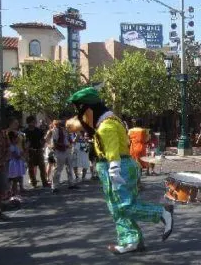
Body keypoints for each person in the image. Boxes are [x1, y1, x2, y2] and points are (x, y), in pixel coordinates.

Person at [66, 87, 173, 255]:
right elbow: (71, 125)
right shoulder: (106, 121)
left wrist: (114, 171)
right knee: (116, 208)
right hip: (112, 166)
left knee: (124, 206)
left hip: (116, 166)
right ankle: (131, 240)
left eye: (79, 109)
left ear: (87, 108)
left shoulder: (106, 126)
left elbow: (112, 152)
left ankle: (161, 213)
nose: (78, 114)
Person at [46, 120, 77, 194]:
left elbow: (69, 140)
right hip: (60, 151)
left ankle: (71, 183)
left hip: (67, 151)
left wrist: (71, 143)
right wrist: (65, 145)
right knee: (58, 169)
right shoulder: (56, 130)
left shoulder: (65, 130)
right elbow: (55, 142)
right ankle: (54, 186)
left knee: (69, 167)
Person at [24, 116, 49, 188]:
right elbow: (24, 142)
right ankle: (33, 183)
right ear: (29, 122)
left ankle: (45, 182)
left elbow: (43, 139)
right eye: (33, 121)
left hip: (39, 150)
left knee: (42, 167)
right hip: (30, 151)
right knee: (31, 168)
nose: (35, 122)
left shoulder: (38, 130)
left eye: (35, 121)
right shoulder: (25, 132)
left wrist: (42, 144)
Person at [7, 131, 26, 201]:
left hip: (16, 164)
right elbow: (16, 156)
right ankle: (10, 194)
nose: (18, 139)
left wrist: (24, 151)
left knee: (15, 180)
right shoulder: (11, 147)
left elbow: (21, 153)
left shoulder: (16, 146)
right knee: (12, 180)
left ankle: (14, 194)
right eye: (16, 138)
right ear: (12, 139)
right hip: (12, 165)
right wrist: (22, 154)